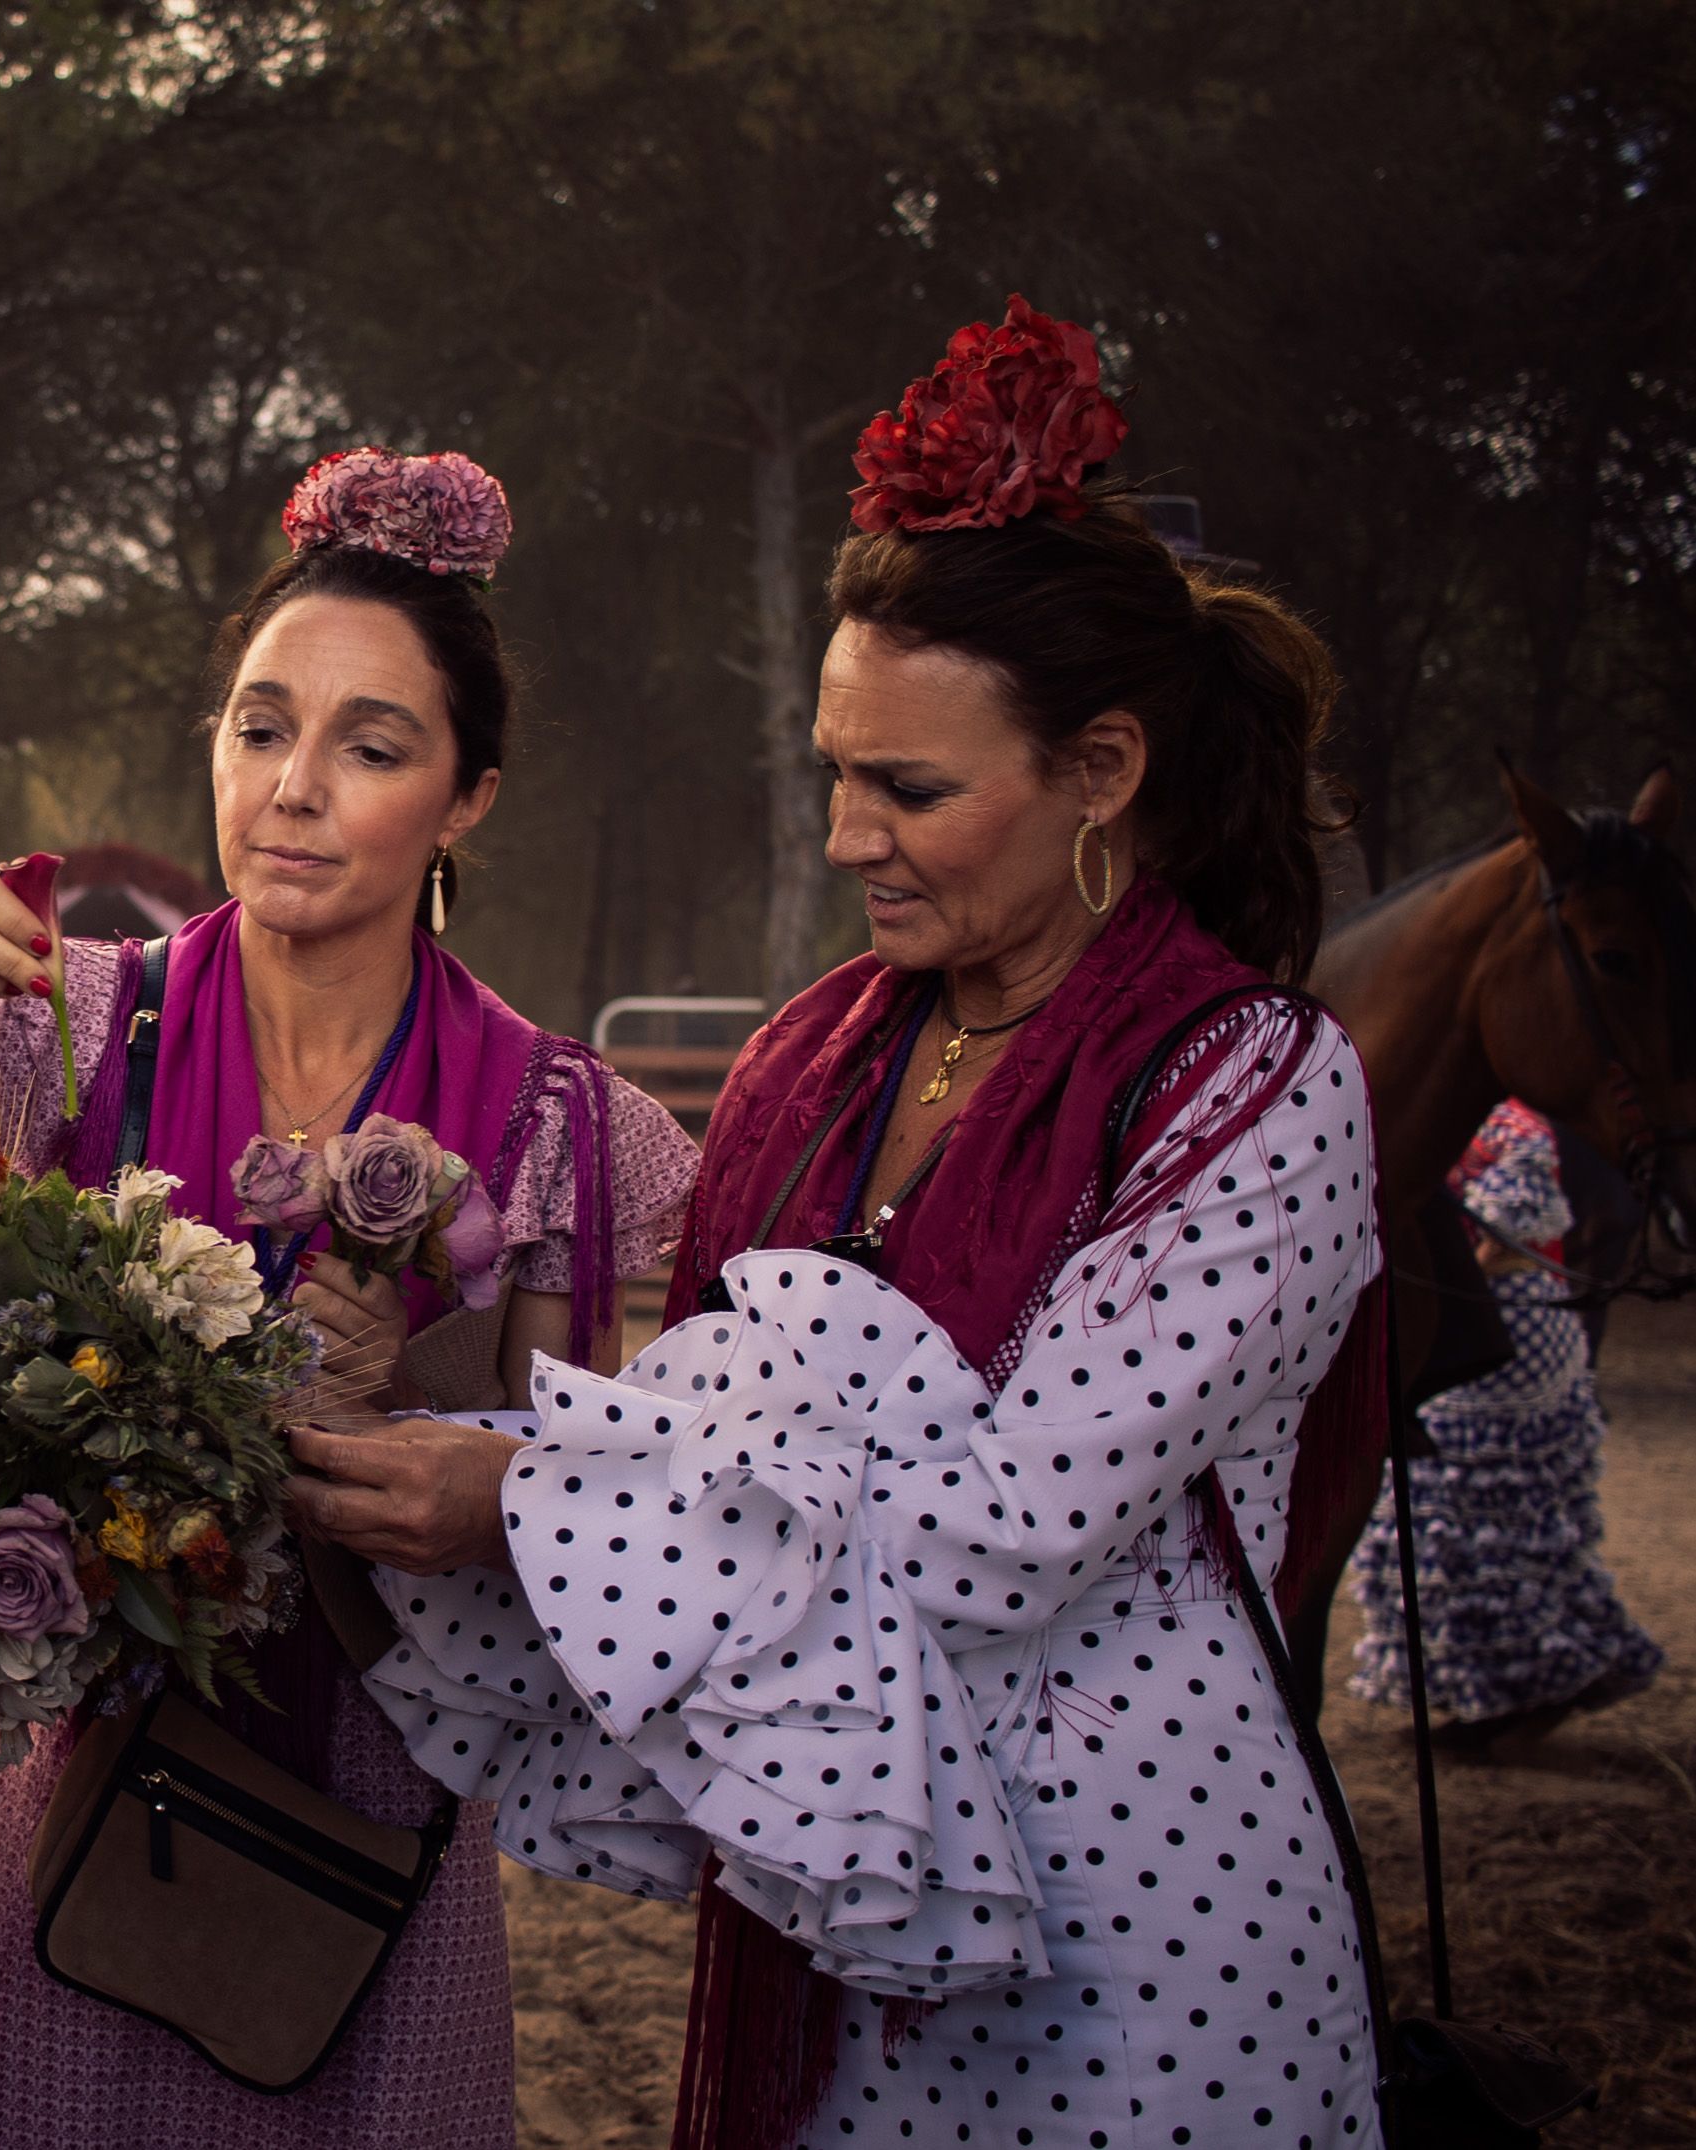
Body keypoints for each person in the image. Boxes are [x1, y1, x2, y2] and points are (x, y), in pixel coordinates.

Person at [345, 298, 1390, 2150]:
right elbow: (716, 1437)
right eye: (834, 769)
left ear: (1102, 771)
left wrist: (518, 1500)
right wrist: (375, 1416)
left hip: (1127, 1916)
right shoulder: (817, 1058)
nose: (846, 836)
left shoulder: (1252, 1086)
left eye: (908, 786)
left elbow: (1000, 1537)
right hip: (828, 1866)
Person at [0, 447, 697, 2150]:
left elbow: (626, 1496)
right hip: (82, 1793)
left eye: (371, 747)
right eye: (260, 728)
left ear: (467, 798)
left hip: (377, 1814)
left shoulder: (554, 1121)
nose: (292, 789)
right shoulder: (79, 1022)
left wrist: (500, 1494)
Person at [1349, 1098, 1663, 1742]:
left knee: (1468, 1514)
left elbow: (1506, 1246)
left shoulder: (1515, 1129)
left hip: (1507, 1330)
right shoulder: (1444, 1118)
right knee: (1486, 1518)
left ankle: (1527, 1689)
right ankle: (1512, 1687)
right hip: (1483, 1324)